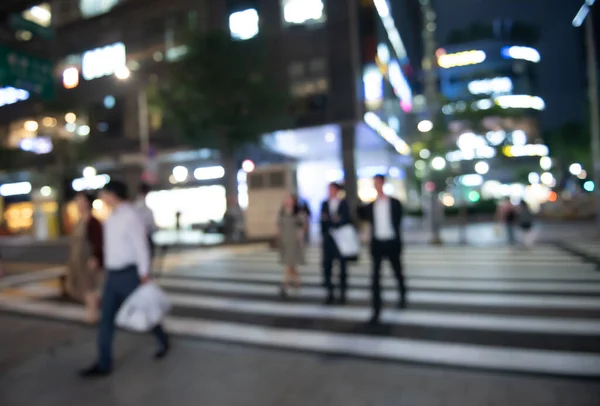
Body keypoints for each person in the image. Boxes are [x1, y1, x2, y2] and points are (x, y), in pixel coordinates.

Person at [80, 180, 169, 378]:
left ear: (113, 195)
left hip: (129, 274)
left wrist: (144, 273)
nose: (101, 198)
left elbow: (140, 246)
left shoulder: (131, 216)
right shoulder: (111, 217)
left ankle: (162, 336)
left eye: (104, 194)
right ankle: (104, 363)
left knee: (145, 308)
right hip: (113, 275)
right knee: (106, 319)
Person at [358, 174, 406, 325]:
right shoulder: (372, 205)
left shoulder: (394, 203)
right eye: (375, 183)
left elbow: (398, 219)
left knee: (397, 271)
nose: (377, 185)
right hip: (377, 243)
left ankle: (402, 293)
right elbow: (360, 214)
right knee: (375, 278)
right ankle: (376, 309)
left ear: (383, 183)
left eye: (378, 183)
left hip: (391, 242)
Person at [66, 192, 104, 324]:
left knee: (90, 288)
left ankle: (93, 314)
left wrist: (95, 257)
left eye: (80, 201)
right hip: (79, 261)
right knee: (83, 288)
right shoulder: (80, 221)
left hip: (88, 261)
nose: (78, 204)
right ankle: (91, 313)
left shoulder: (92, 221)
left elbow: (98, 242)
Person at [320, 182, 350, 305]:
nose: (330, 191)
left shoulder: (343, 203)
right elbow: (322, 220)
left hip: (341, 239)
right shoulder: (324, 203)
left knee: (342, 266)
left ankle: (342, 292)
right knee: (327, 266)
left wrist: (334, 220)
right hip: (328, 239)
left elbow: (346, 219)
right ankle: (330, 292)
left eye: (332, 189)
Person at [277, 193, 306, 298]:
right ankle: (297, 282)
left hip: (294, 240)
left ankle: (284, 284)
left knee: (289, 263)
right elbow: (279, 226)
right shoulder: (282, 212)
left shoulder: (298, 213)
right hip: (285, 240)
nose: (288, 201)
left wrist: (300, 238)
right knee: (291, 264)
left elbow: (302, 227)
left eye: (290, 199)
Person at [134, 183, 158, 260]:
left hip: (139, 236)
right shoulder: (143, 207)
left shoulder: (134, 205)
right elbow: (151, 224)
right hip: (144, 237)